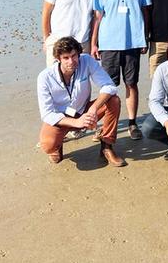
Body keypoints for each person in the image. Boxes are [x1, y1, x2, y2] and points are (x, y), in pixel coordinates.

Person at [91, 0, 152, 141]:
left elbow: (146, 14)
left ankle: (133, 123)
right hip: (109, 44)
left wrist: (145, 38)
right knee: (108, 87)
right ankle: (107, 125)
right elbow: (98, 19)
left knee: (131, 84)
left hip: (133, 43)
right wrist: (94, 44)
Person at [36, 36, 125, 167]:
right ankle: (58, 144)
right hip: (61, 118)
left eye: (74, 56)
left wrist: (93, 109)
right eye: (66, 58)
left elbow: (109, 86)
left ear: (79, 54)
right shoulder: (45, 77)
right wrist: (77, 122)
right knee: (48, 146)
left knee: (113, 100)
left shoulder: (87, 61)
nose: (71, 61)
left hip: (85, 111)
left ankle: (107, 146)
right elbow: (47, 114)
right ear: (58, 59)